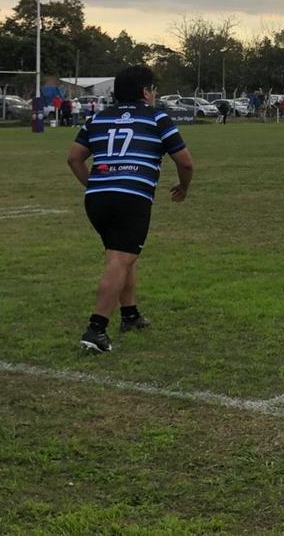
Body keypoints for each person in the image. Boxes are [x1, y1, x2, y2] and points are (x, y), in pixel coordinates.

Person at [66, 65, 194, 353]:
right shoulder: (157, 117)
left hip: (97, 199)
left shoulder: (97, 118)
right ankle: (95, 329)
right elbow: (185, 162)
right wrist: (184, 188)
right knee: (120, 260)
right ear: (146, 91)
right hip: (131, 196)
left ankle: (130, 315)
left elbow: (74, 158)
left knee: (122, 254)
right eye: (153, 88)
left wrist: (95, 184)